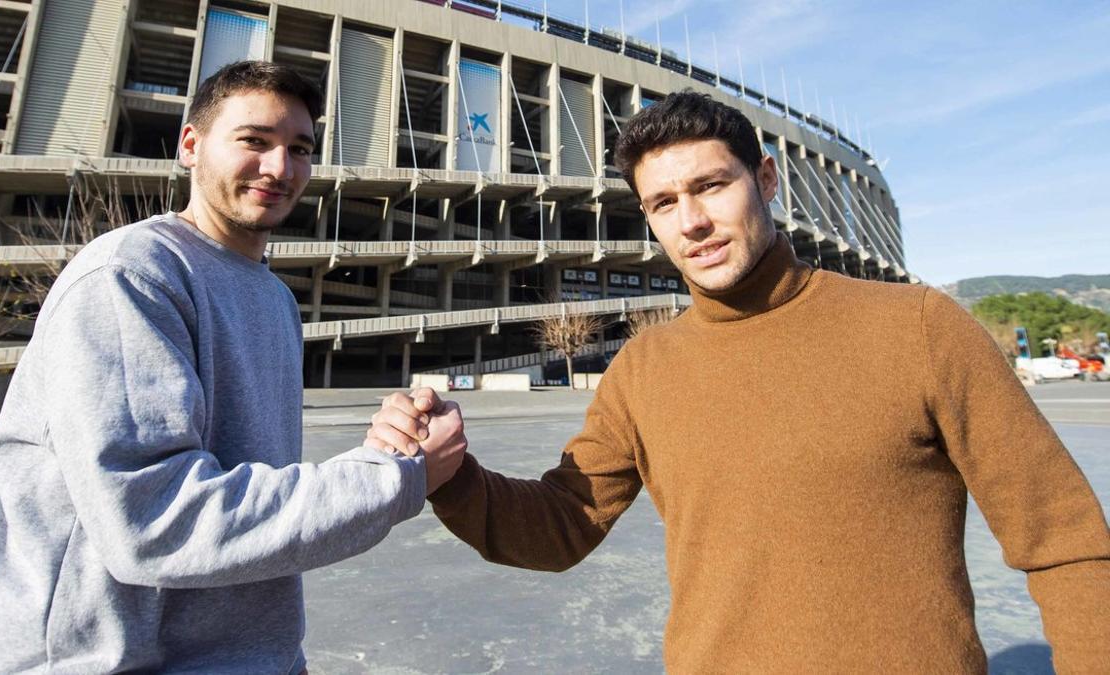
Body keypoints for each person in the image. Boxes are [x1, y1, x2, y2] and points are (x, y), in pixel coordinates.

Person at [369, 91, 1110, 672]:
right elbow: (563, 524)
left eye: (711, 186)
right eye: (663, 203)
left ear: (765, 180)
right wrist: (451, 473)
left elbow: (1065, 541)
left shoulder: (918, 325)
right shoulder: (645, 369)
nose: (691, 220)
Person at [0, 61, 465, 673]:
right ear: (191, 144)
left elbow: (245, 475)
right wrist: (394, 480)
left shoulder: (275, 299)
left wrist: (388, 448)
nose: (279, 168)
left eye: (299, 149)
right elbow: (154, 520)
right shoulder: (130, 276)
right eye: (254, 141)